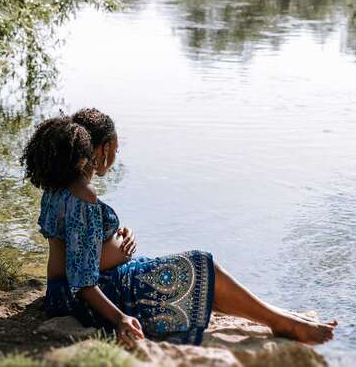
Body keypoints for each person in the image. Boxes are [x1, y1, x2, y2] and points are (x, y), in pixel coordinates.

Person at [22, 108, 337, 347]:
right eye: (114, 151)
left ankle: (276, 316)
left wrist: (117, 240)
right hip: (92, 298)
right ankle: (281, 322)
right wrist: (119, 319)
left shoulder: (57, 189)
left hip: (64, 293)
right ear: (101, 149)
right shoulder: (84, 198)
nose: (114, 158)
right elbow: (82, 279)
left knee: (190, 268)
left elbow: (75, 245)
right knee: (200, 266)